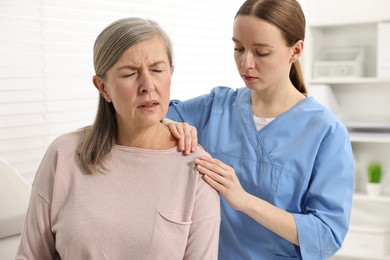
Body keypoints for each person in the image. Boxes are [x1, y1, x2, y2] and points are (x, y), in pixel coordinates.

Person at [15, 17, 220, 260]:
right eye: (129, 73)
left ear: (170, 74)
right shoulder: (64, 155)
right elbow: (30, 256)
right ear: (103, 88)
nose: (147, 85)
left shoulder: (197, 169)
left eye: (157, 69)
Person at [165, 0, 354, 259]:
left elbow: (326, 235)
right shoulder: (215, 106)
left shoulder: (325, 132)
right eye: (238, 48)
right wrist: (170, 124)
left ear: (296, 50)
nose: (246, 64)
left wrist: (244, 201)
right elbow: (149, 115)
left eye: (262, 52)